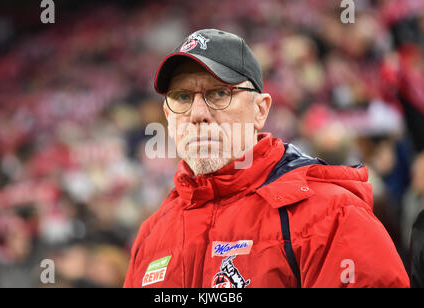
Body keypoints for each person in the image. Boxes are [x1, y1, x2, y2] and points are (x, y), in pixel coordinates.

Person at [124, 29, 410, 288]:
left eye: (220, 92)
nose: (198, 113)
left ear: (260, 111)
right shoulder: (152, 235)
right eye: (182, 97)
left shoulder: (330, 215)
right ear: (167, 116)